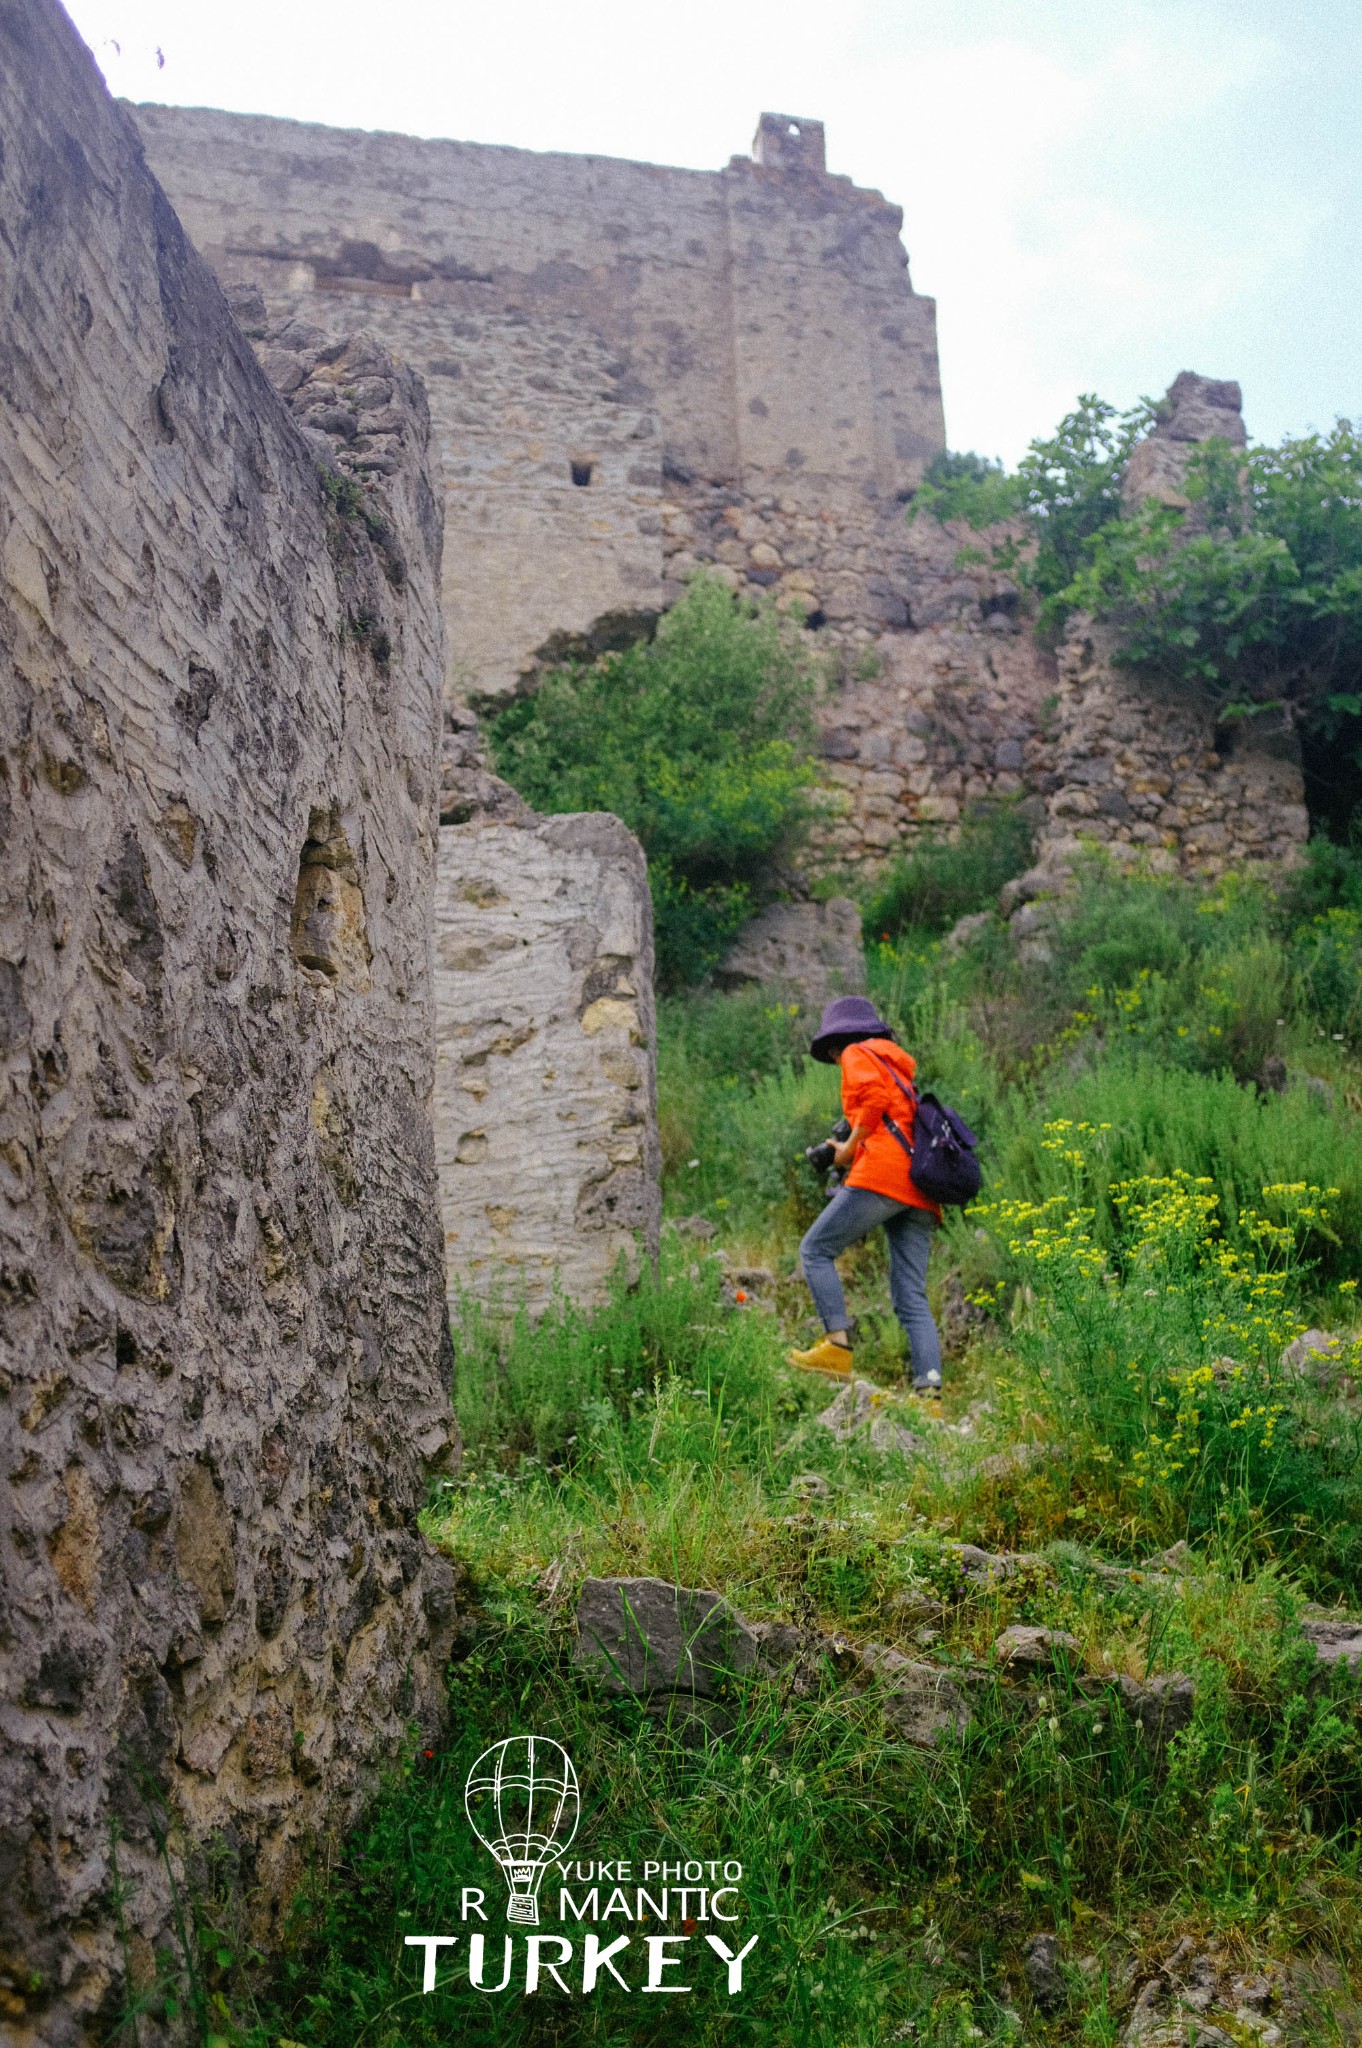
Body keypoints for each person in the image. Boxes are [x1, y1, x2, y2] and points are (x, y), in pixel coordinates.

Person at [789, 994, 944, 1397]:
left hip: (884, 1177)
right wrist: (850, 1148)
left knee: (814, 1250)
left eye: (833, 1051)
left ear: (841, 1041)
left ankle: (837, 1348)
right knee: (911, 1296)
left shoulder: (859, 1052)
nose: (838, 1059)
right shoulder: (899, 1073)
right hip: (921, 1190)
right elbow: (887, 1120)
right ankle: (930, 1396)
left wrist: (847, 1147)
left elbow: (872, 1102)